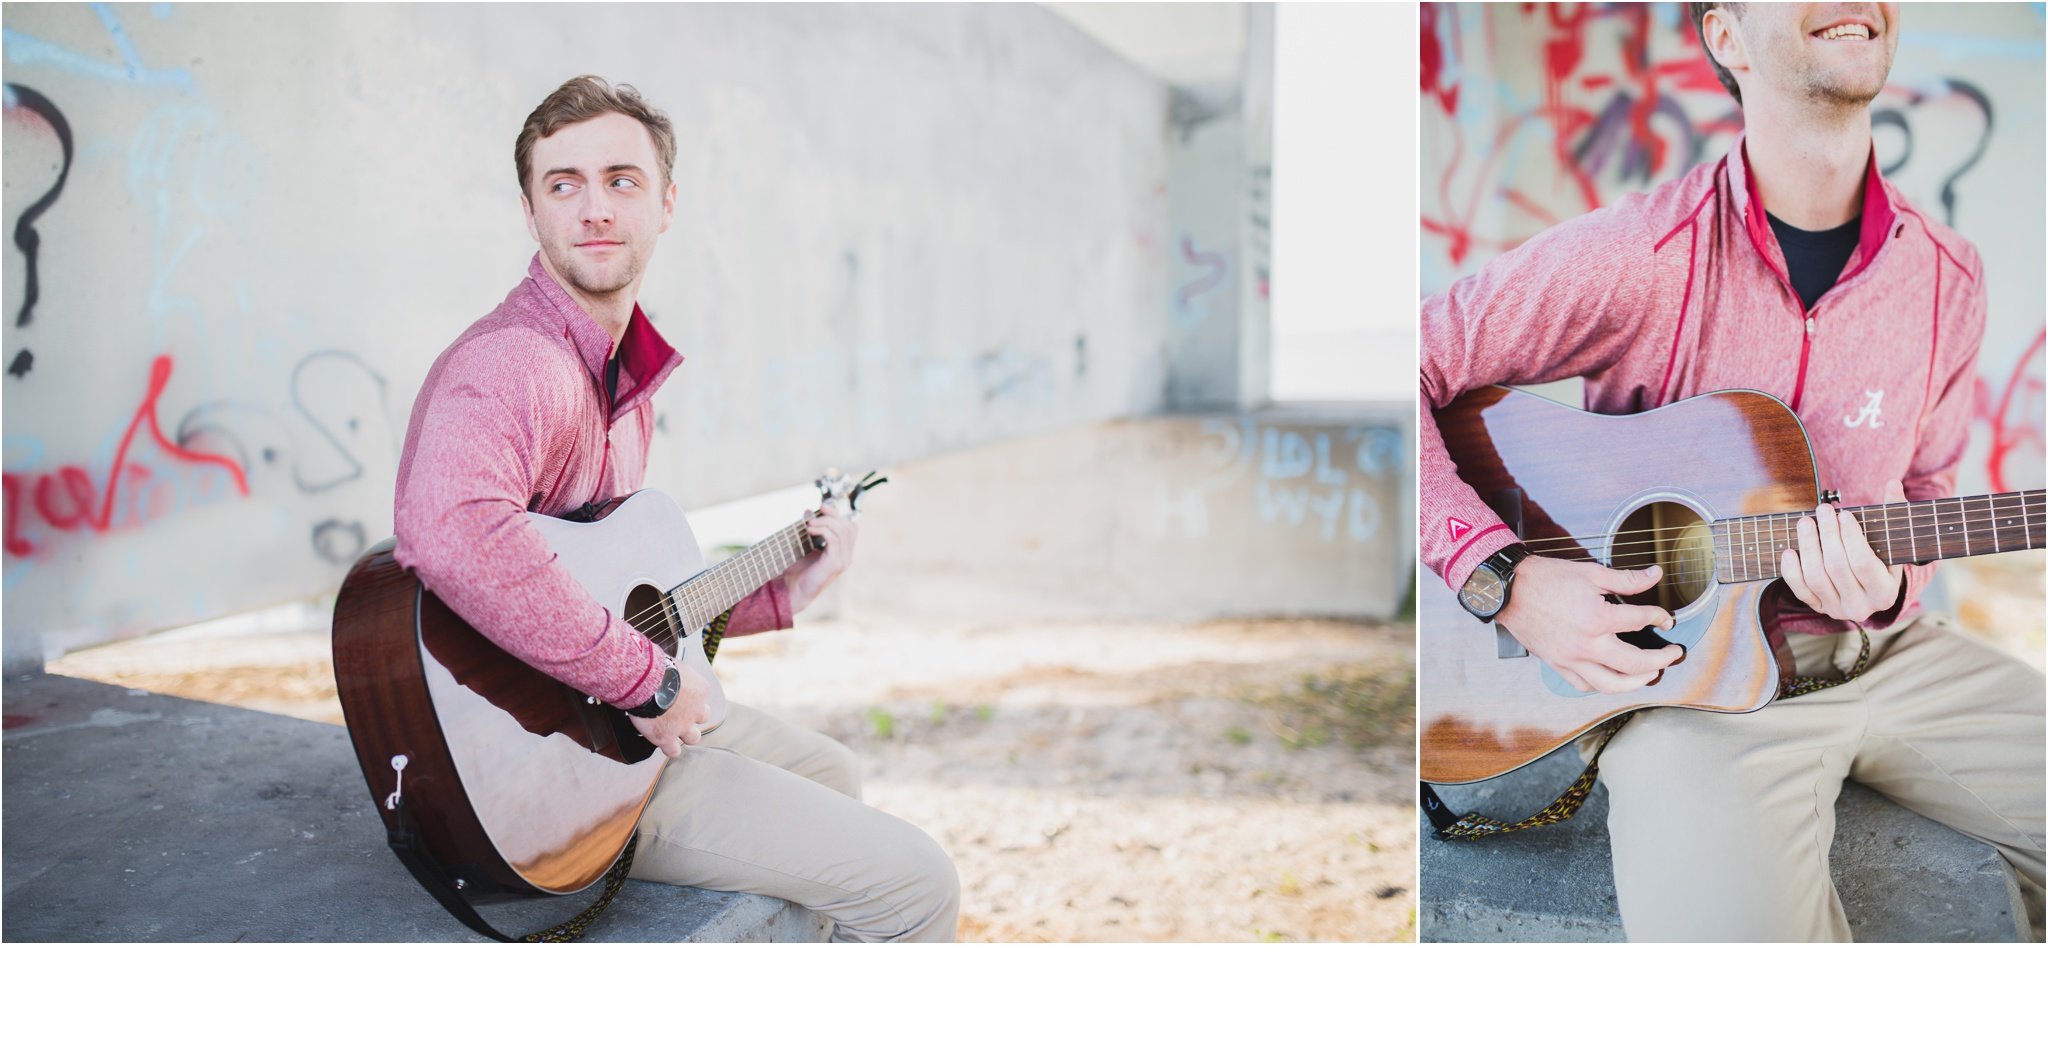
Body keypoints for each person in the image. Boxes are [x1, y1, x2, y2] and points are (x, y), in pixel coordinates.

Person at [1419, 4, 2044, 941]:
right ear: (1727, 37)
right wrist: (1502, 579)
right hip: (1693, 698)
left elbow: (1928, 493)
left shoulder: (1950, 277)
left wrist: (1886, 584)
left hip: (1894, 658)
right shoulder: (1636, 256)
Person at [391, 76, 960, 942]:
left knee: (835, 769)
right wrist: (647, 681)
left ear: (666, 203)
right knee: (920, 885)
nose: (594, 209)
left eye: (622, 180)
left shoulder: (622, 377)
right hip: (541, 776)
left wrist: (779, 594)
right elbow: (452, 529)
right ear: (530, 210)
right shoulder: (515, 362)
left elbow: (621, 590)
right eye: (563, 184)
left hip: (596, 720)